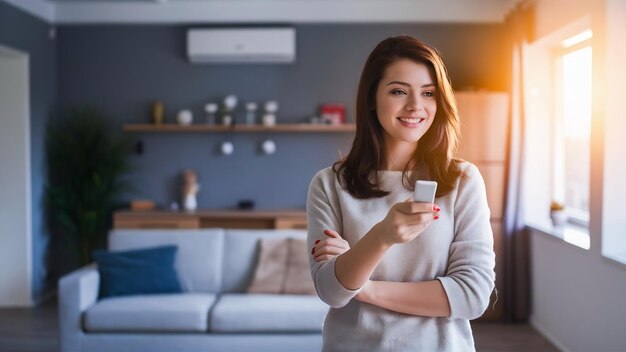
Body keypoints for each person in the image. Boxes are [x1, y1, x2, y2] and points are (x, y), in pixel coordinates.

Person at [306, 35, 496, 352]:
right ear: (371, 98)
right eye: (398, 91)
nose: (415, 106)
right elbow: (332, 292)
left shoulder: (462, 180)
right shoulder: (329, 184)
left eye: (428, 93)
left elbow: (473, 296)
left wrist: (362, 287)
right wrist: (381, 236)